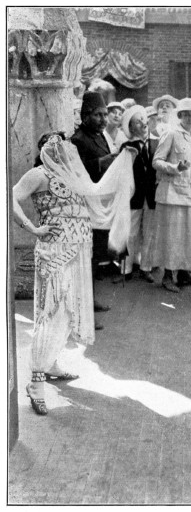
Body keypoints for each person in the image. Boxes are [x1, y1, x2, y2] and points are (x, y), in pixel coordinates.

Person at [13, 133, 95, 415]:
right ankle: (35, 381)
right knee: (52, 311)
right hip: (54, 251)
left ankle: (51, 363)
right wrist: (32, 228)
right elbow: (9, 195)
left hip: (78, 250)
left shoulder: (73, 176)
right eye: (56, 147)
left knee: (68, 311)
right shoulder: (38, 174)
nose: (63, 151)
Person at [152, 97, 191, 292]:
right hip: (173, 194)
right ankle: (168, 276)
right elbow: (157, 161)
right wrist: (175, 167)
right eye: (187, 114)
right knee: (173, 237)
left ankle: (185, 273)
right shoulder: (171, 134)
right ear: (179, 116)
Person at [71, 92, 118, 326]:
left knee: (93, 258)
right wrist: (103, 162)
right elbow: (75, 173)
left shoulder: (100, 136)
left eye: (105, 115)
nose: (103, 119)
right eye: (98, 115)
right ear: (86, 115)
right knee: (84, 261)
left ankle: (89, 301)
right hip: (84, 208)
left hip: (98, 206)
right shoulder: (78, 139)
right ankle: (82, 314)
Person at [118, 105, 157, 282]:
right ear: (131, 127)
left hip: (151, 195)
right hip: (134, 195)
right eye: (138, 121)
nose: (143, 123)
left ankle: (145, 267)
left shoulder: (154, 143)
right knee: (131, 232)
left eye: (144, 119)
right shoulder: (127, 146)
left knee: (149, 232)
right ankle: (126, 268)